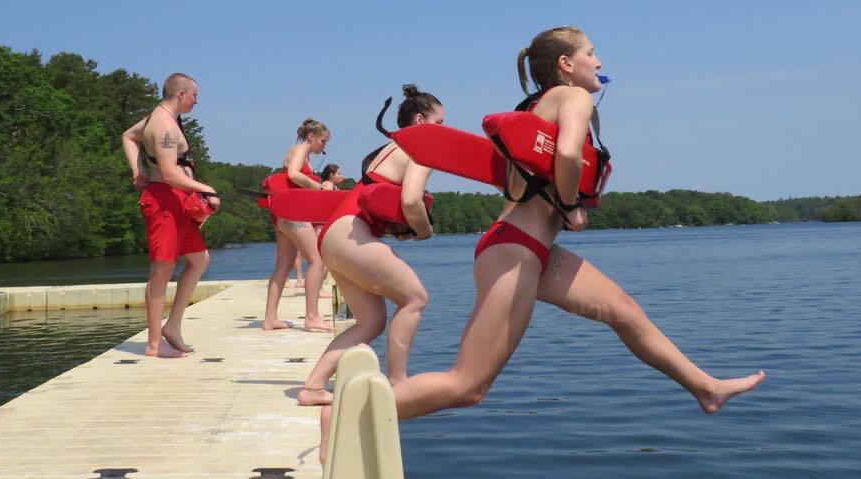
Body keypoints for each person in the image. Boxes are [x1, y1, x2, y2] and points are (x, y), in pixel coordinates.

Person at [387, 27, 765, 422]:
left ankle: (706, 388)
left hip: (530, 251)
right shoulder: (574, 97)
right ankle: (353, 411)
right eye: (591, 53)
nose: (599, 63)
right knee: (468, 385)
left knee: (625, 311)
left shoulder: (537, 106)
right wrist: (570, 206)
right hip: (515, 250)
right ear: (566, 64)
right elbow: (567, 154)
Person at [298, 86, 438, 407]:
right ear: (420, 121)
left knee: (371, 321)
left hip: (334, 235)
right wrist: (424, 231)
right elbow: (411, 201)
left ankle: (312, 388)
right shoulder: (421, 150)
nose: (445, 130)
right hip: (351, 233)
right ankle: (399, 385)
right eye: (440, 123)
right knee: (415, 298)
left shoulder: (388, 149)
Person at [121, 73, 219, 358]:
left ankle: (172, 325)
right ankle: (154, 344)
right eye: (194, 95)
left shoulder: (163, 117)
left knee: (200, 259)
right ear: (181, 94)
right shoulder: (163, 124)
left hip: (177, 200)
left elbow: (128, 136)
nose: (197, 101)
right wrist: (206, 189)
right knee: (161, 271)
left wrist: (137, 169)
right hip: (163, 201)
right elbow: (168, 173)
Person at [263, 118, 336, 333]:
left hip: (284, 215)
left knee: (284, 265)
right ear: (311, 137)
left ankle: (270, 318)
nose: (324, 145)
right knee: (317, 260)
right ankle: (312, 316)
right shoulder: (299, 150)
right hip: (293, 214)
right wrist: (318, 187)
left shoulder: (305, 155)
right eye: (323, 141)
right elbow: (293, 174)